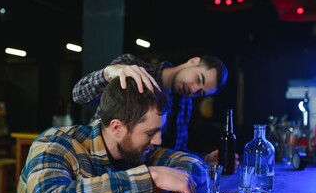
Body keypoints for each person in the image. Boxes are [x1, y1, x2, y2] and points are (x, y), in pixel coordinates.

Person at [4, 77, 209, 193]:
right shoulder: (55, 143)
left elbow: (196, 166)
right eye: (150, 133)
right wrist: (150, 178)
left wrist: (168, 178)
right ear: (117, 127)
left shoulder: (138, 150)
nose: (158, 140)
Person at [72, 53, 228, 153]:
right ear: (193, 61)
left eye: (199, 92)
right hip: (96, 156)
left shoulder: (186, 103)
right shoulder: (133, 68)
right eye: (198, 79)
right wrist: (108, 73)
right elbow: (79, 95)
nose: (193, 89)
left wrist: (204, 160)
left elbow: (178, 150)